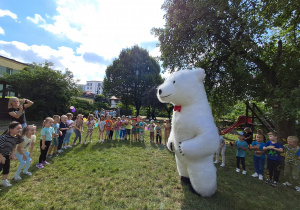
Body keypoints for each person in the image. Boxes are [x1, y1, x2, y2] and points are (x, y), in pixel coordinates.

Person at [0, 121, 24, 187]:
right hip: (1, 155)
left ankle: (4, 181)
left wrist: (12, 153)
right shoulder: (3, 138)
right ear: (11, 129)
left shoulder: (16, 137)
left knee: (6, 168)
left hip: (7, 155)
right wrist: (1, 157)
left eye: (20, 128)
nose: (20, 130)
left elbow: (14, 145)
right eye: (18, 129)